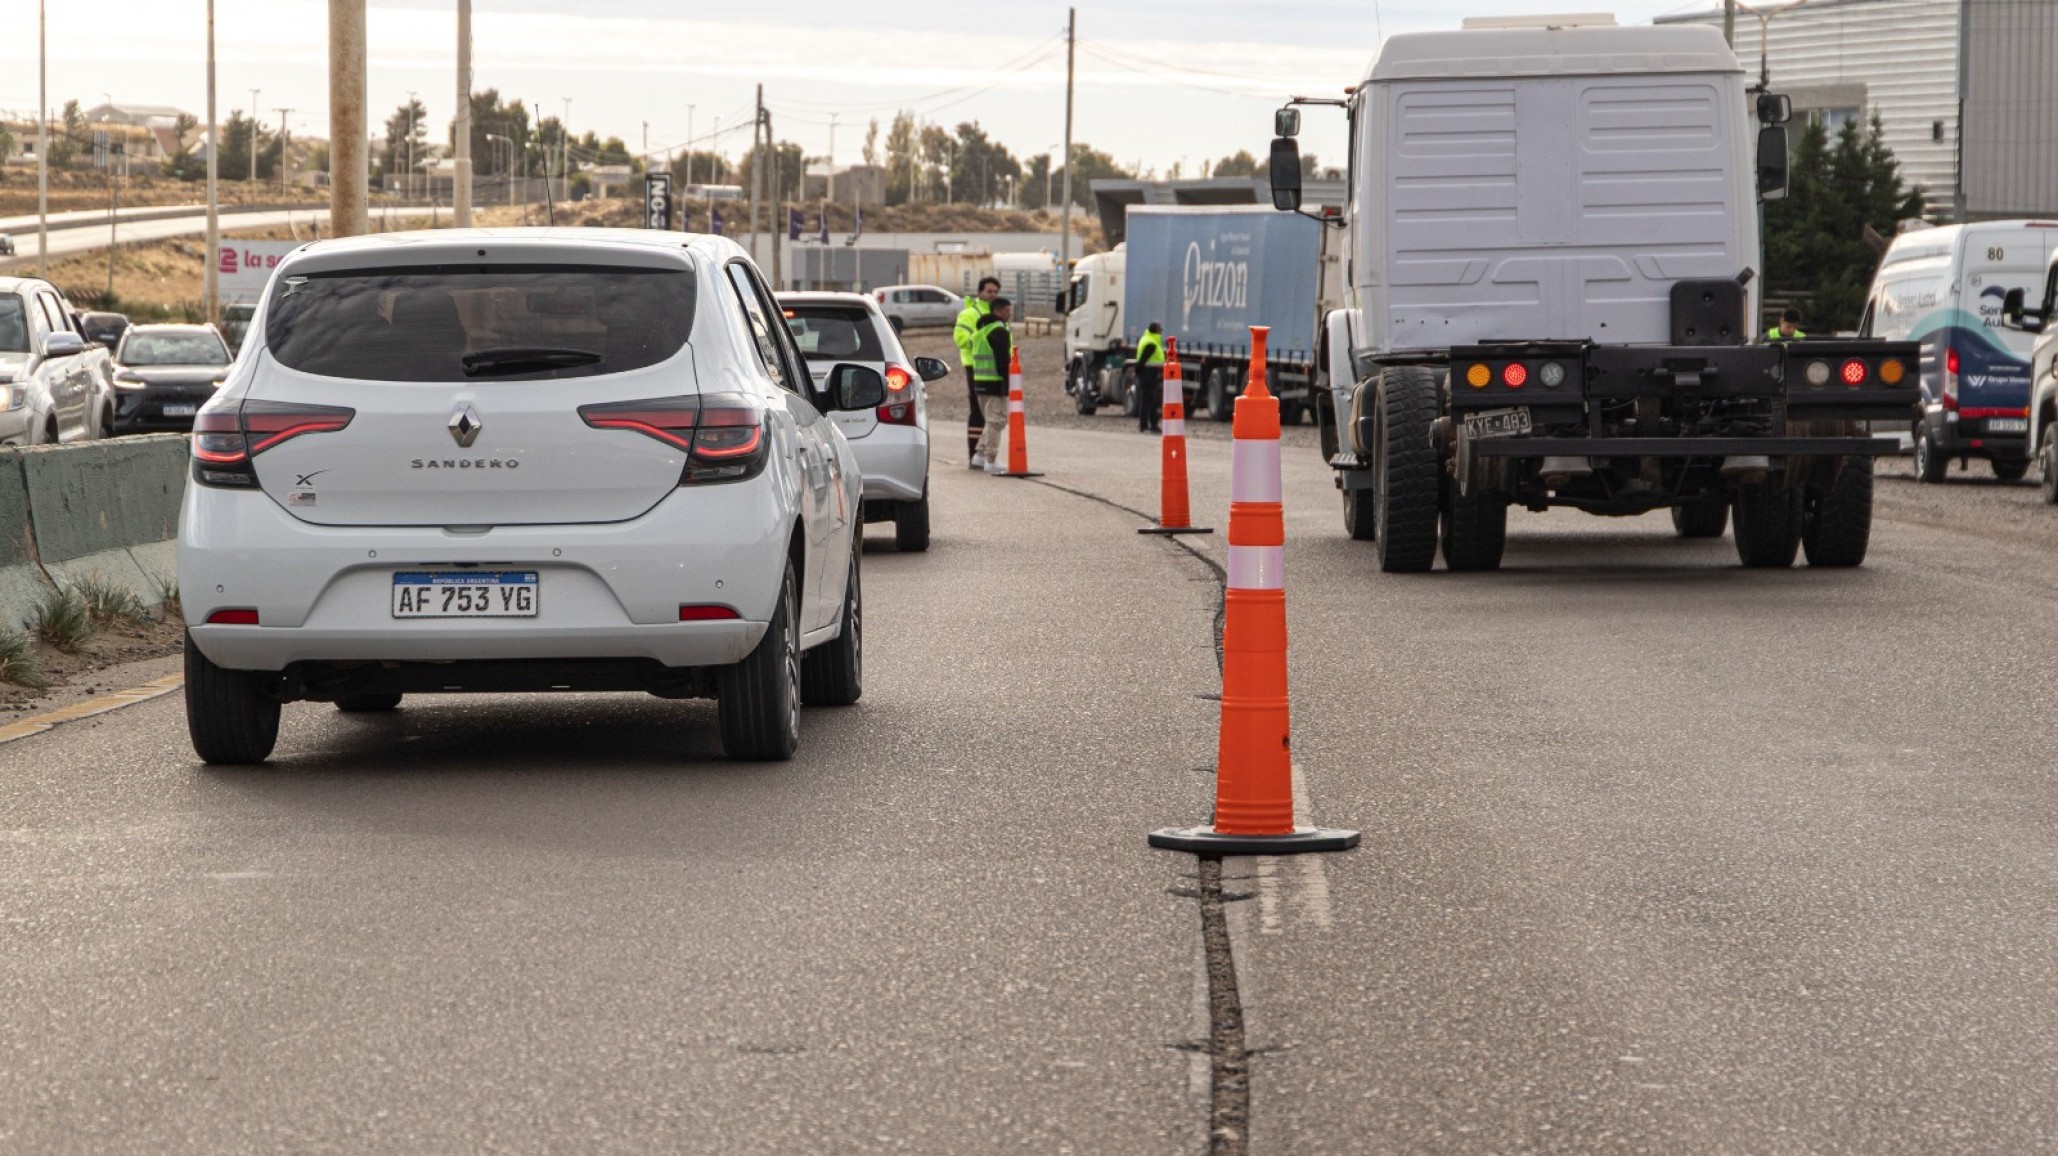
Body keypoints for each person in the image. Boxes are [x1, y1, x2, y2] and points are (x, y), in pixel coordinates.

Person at [954, 277, 1002, 467]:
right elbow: (960, 338)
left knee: (991, 411)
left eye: (995, 292)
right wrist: (981, 340)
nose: (992, 295)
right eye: (989, 291)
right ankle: (974, 453)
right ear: (980, 292)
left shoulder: (998, 313)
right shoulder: (969, 314)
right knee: (978, 410)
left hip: (993, 369)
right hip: (974, 366)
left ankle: (982, 454)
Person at [971, 297, 1014, 475]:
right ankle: (991, 459)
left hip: (980, 381)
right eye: (1006, 311)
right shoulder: (999, 331)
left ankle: (980, 455)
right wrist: (1009, 382)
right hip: (996, 382)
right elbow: (1002, 360)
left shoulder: (982, 330)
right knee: (997, 421)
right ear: (997, 311)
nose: (1009, 314)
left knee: (990, 421)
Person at [1133, 322, 1167, 433]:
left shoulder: (1147, 339)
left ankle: (1152, 424)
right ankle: (1145, 425)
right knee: (1148, 401)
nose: (1161, 331)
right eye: (1160, 329)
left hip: (1148, 373)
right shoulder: (1151, 343)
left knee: (1151, 401)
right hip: (1149, 374)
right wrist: (1138, 371)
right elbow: (1143, 360)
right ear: (1156, 331)